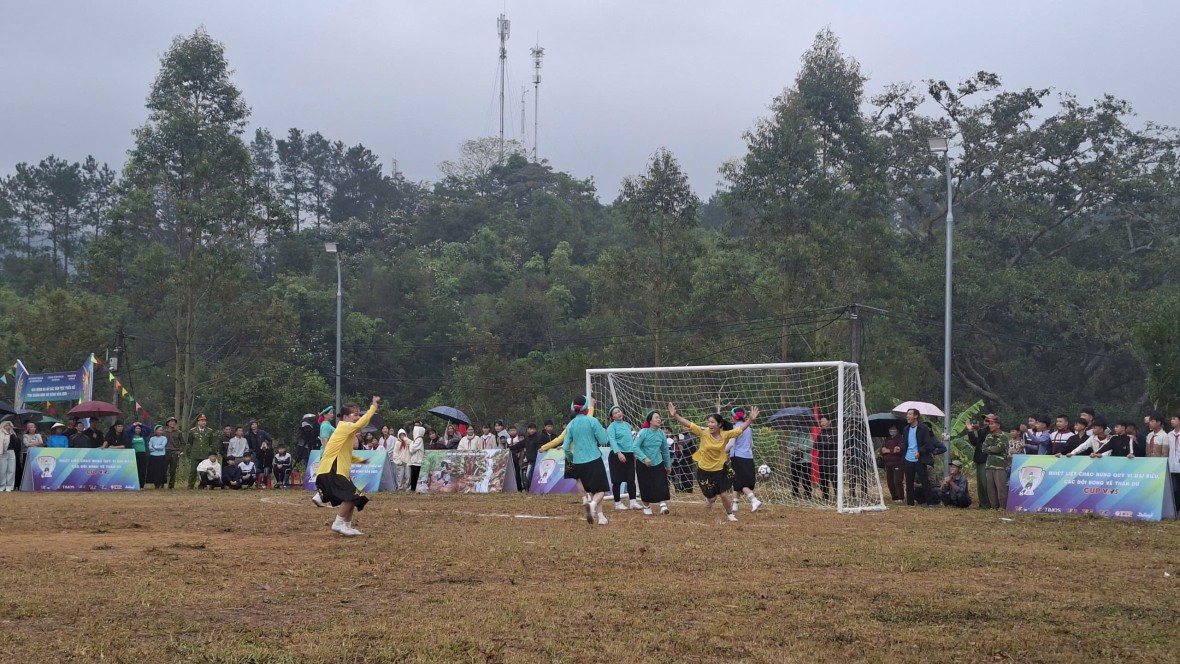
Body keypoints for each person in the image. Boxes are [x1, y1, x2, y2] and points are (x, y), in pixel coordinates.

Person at [668, 401, 759, 522]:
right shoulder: (703, 432)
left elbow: (740, 429)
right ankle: (709, 503)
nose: (709, 424)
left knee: (724, 494)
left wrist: (750, 420)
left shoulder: (726, 434)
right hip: (704, 470)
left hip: (720, 470)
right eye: (709, 422)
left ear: (719, 425)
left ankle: (730, 514)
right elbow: (689, 424)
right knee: (711, 499)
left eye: (712, 422)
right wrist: (675, 415)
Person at [314, 396, 381, 536]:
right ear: (345, 416)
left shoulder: (347, 433)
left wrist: (361, 460)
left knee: (356, 497)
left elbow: (347, 454)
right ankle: (338, 524)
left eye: (359, 414)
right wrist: (373, 407)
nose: (358, 417)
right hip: (331, 469)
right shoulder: (344, 426)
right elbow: (359, 425)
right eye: (355, 414)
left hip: (338, 470)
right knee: (351, 495)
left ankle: (347, 526)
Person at [563, 395, 611, 526]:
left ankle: (601, 517)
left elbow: (566, 447)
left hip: (578, 462)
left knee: (592, 490)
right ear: (585, 407)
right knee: (601, 490)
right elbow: (604, 440)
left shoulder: (570, 425)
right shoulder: (592, 421)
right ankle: (593, 505)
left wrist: (572, 458)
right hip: (594, 458)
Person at [633, 409, 672, 515]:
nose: (659, 419)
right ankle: (646, 506)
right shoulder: (643, 432)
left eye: (659, 417)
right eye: (656, 417)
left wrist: (668, 465)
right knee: (645, 485)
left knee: (661, 484)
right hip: (643, 464)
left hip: (658, 462)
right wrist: (644, 458)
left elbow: (665, 451)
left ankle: (663, 505)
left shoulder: (662, 434)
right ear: (650, 420)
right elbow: (635, 447)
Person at [901, 409, 939, 507]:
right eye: (907, 414)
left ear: (916, 416)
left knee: (924, 480)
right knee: (909, 482)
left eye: (910, 414)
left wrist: (920, 452)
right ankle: (910, 503)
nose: (907, 416)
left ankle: (930, 502)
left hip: (919, 459)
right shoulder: (906, 429)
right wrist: (900, 448)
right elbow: (905, 443)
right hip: (908, 459)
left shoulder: (923, 428)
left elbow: (928, 443)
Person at [728, 407, 763, 513]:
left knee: (740, 482)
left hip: (737, 457)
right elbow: (752, 444)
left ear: (733, 417)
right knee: (736, 480)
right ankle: (735, 504)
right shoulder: (748, 428)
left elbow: (731, 444)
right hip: (748, 457)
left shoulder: (734, 428)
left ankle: (754, 500)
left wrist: (722, 450)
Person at [606, 405, 639, 510]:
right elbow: (612, 441)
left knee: (631, 479)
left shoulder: (627, 425)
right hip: (617, 455)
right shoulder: (611, 427)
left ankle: (633, 501)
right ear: (612, 417)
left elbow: (631, 440)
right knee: (617, 480)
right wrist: (619, 453)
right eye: (615, 413)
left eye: (619, 411)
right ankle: (617, 503)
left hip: (629, 454)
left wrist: (634, 451)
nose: (618, 414)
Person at [981, 417, 1009, 510]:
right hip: (989, 466)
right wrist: (991, 449)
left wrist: (990, 448)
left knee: (1001, 488)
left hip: (1000, 466)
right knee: (990, 488)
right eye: (989, 424)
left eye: (992, 424)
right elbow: (983, 449)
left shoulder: (1003, 436)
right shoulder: (988, 436)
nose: (990, 426)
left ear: (998, 425)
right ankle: (994, 507)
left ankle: (1003, 507)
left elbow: (998, 449)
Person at [186, 415, 219, 489]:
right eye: (202, 421)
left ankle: (202, 485)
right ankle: (190, 486)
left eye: (204, 421)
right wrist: (189, 453)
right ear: (198, 422)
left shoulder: (209, 431)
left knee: (204, 471)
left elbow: (211, 443)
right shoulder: (192, 431)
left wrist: (210, 453)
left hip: (205, 454)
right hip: (195, 454)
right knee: (193, 471)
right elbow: (190, 442)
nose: (203, 422)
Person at [785, 424, 814, 500]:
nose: (800, 427)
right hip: (795, 460)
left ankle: (808, 493)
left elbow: (810, 446)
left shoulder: (808, 435)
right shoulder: (793, 436)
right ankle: (795, 493)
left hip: (806, 460)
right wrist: (794, 449)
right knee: (794, 477)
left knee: (806, 478)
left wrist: (800, 448)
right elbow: (789, 447)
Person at [815, 415, 838, 502]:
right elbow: (816, 445)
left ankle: (837, 496)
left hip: (832, 461)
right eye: (821, 422)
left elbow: (834, 444)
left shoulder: (835, 432)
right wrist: (826, 443)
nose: (822, 423)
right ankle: (825, 496)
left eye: (824, 421)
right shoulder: (820, 434)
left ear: (829, 422)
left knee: (834, 480)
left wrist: (825, 444)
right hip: (822, 461)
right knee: (823, 480)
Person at [880, 425, 905, 504]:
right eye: (890, 429)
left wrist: (889, 450)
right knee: (890, 481)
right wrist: (883, 450)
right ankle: (894, 496)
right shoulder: (886, 439)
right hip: (888, 463)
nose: (892, 431)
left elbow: (898, 450)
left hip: (898, 463)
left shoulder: (901, 438)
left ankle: (900, 497)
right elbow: (882, 450)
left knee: (897, 480)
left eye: (893, 429)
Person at [163, 417, 184, 489]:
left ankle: (171, 486)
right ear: (168, 423)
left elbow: (183, 443)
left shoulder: (178, 432)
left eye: (174, 422)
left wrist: (179, 451)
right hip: (165, 452)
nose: (173, 423)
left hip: (174, 452)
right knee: (163, 469)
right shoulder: (163, 432)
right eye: (171, 422)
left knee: (173, 470)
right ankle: (162, 484)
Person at [146, 424, 169, 489]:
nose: (161, 431)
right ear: (155, 431)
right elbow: (150, 447)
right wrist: (156, 447)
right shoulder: (152, 438)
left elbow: (162, 447)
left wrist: (155, 446)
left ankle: (160, 484)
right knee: (154, 471)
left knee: (161, 471)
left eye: (161, 430)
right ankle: (155, 484)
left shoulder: (164, 438)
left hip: (161, 456)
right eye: (159, 430)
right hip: (153, 456)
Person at [127, 422, 149, 488]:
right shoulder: (131, 435)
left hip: (143, 454)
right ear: (134, 429)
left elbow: (149, 429)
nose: (138, 430)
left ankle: (141, 485)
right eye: (136, 428)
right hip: (133, 454)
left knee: (142, 470)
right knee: (134, 470)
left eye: (139, 428)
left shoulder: (143, 435)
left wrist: (142, 424)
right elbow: (127, 431)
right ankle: (134, 484)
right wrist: (132, 425)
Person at [0, 421, 18, 491]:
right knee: (2, 470)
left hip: (11, 452)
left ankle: (9, 486)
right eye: (6, 425)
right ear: (3, 426)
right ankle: (2, 486)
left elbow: (16, 443)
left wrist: (11, 434)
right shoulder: (0, 433)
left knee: (11, 470)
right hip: (2, 452)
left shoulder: (12, 434)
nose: (8, 426)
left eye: (9, 425)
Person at [1168, 413, 1180, 512]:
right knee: (1174, 489)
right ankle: (1175, 510)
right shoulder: (1169, 434)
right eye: (1171, 419)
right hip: (1171, 466)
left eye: (1174, 418)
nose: (1171, 421)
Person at [408, 424, 425, 492]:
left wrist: (411, 444)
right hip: (414, 462)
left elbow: (412, 449)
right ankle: (413, 489)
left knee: (415, 477)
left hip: (418, 462)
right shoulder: (416, 440)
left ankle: (414, 489)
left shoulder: (419, 440)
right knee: (413, 477)